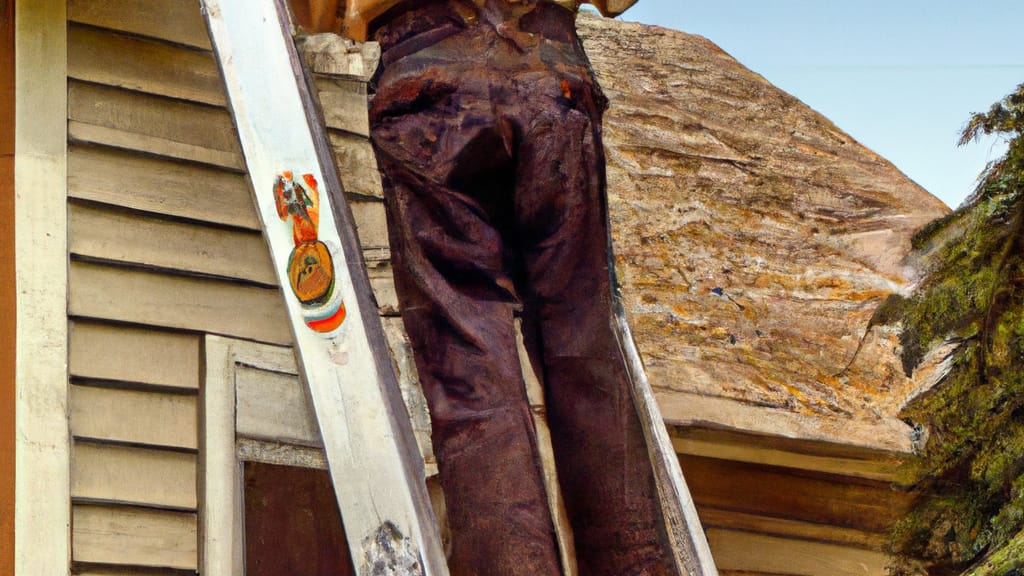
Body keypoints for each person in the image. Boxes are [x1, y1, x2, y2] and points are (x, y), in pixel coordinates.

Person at [331, 1, 676, 573]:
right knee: (582, 343)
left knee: (470, 372)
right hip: (548, 71)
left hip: (424, 73)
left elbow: (319, 14)